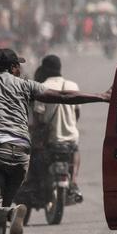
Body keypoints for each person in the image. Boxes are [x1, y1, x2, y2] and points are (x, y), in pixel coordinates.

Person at [0, 48, 117, 234]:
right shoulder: (25, 85)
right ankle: (11, 212)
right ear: (13, 68)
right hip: (20, 155)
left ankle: (11, 213)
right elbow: (63, 96)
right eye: (18, 65)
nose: (20, 69)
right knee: (1, 210)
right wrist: (101, 96)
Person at [31, 55, 83, 201]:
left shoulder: (41, 87)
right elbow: (77, 114)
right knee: (76, 150)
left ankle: (40, 186)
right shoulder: (73, 86)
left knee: (36, 159)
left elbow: (38, 118)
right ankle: (73, 181)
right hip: (71, 138)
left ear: (44, 69)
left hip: (51, 140)